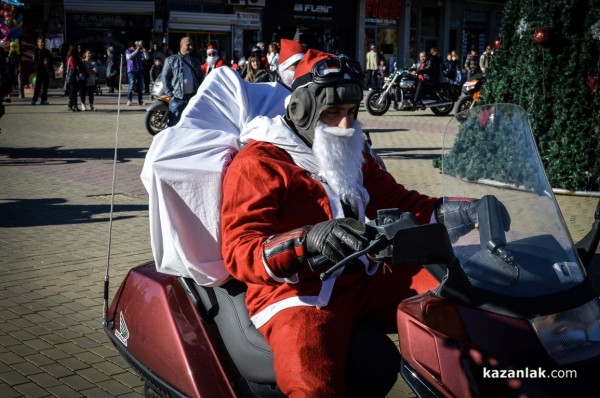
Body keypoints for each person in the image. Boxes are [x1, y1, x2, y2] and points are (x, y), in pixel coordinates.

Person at [220, 49, 488, 397]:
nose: (345, 125)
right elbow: (240, 249)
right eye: (332, 113)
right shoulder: (259, 162)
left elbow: (398, 201)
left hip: (367, 275)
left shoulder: (352, 149)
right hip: (300, 293)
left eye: (350, 112)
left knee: (459, 296)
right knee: (313, 384)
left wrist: (462, 210)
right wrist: (308, 241)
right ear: (301, 109)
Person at [161, 36, 203, 126]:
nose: (191, 47)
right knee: (174, 124)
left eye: (192, 45)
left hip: (193, 99)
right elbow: (164, 77)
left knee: (191, 125)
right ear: (181, 45)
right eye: (188, 45)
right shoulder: (171, 60)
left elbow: (200, 78)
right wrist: (170, 94)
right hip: (178, 100)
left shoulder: (195, 61)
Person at [125, 40, 148, 106]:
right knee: (131, 84)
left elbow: (146, 57)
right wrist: (136, 50)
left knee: (141, 86)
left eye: (138, 46)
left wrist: (145, 51)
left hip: (140, 70)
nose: (137, 47)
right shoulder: (128, 50)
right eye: (136, 46)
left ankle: (140, 101)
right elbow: (129, 57)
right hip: (131, 70)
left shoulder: (139, 52)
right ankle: (129, 100)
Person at [31, 36, 52, 105]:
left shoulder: (47, 51)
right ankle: (34, 99)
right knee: (38, 86)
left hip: (46, 70)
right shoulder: (35, 51)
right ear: (38, 43)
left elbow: (51, 60)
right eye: (41, 42)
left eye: (43, 42)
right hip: (39, 70)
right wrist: (43, 63)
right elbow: (34, 62)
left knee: (45, 86)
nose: (42, 43)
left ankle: (43, 99)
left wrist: (48, 62)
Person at [65, 44, 83, 112]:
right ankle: (70, 105)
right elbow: (73, 67)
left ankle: (75, 106)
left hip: (75, 76)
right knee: (72, 91)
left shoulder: (76, 57)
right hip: (72, 76)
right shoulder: (71, 57)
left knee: (75, 91)